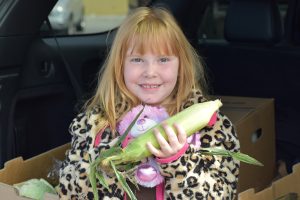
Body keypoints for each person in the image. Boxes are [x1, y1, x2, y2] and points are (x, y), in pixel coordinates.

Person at [58, 6, 240, 200]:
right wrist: (110, 163)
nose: (150, 71)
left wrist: (178, 162)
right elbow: (69, 192)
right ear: (120, 66)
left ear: (181, 65)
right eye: (137, 59)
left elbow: (222, 195)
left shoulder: (210, 126)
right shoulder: (96, 123)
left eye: (163, 59)